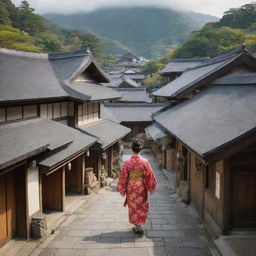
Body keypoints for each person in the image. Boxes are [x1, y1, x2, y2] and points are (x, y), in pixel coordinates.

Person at [117, 138, 157, 234]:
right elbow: (149, 175)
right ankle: (139, 225)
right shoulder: (145, 162)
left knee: (133, 206)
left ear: (131, 148)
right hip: (141, 187)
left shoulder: (127, 163)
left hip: (131, 187)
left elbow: (123, 176)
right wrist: (149, 185)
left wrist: (123, 187)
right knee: (142, 205)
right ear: (141, 148)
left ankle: (137, 225)